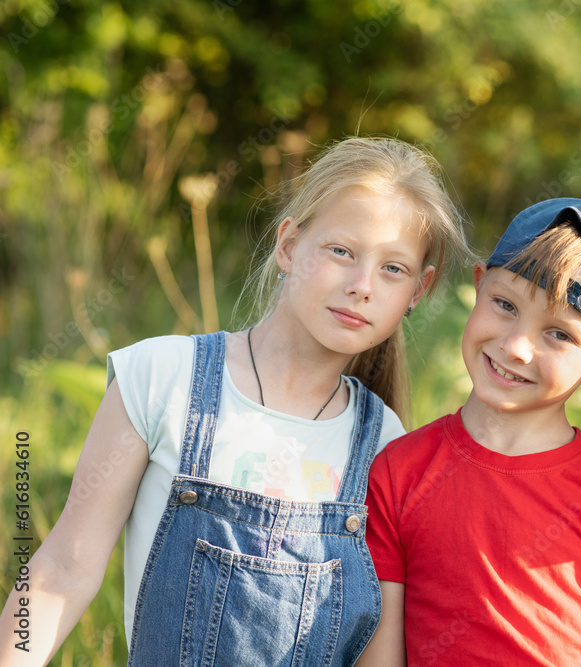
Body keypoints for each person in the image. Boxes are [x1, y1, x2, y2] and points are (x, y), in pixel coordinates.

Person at [0, 136, 469, 666]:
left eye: (393, 269)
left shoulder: (385, 442)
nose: (363, 285)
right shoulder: (163, 378)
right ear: (288, 246)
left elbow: (374, 649)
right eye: (342, 251)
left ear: (418, 292)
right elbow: (62, 571)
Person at [357, 198, 581, 667]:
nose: (516, 347)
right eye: (504, 304)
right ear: (478, 287)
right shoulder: (399, 471)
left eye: (559, 334)